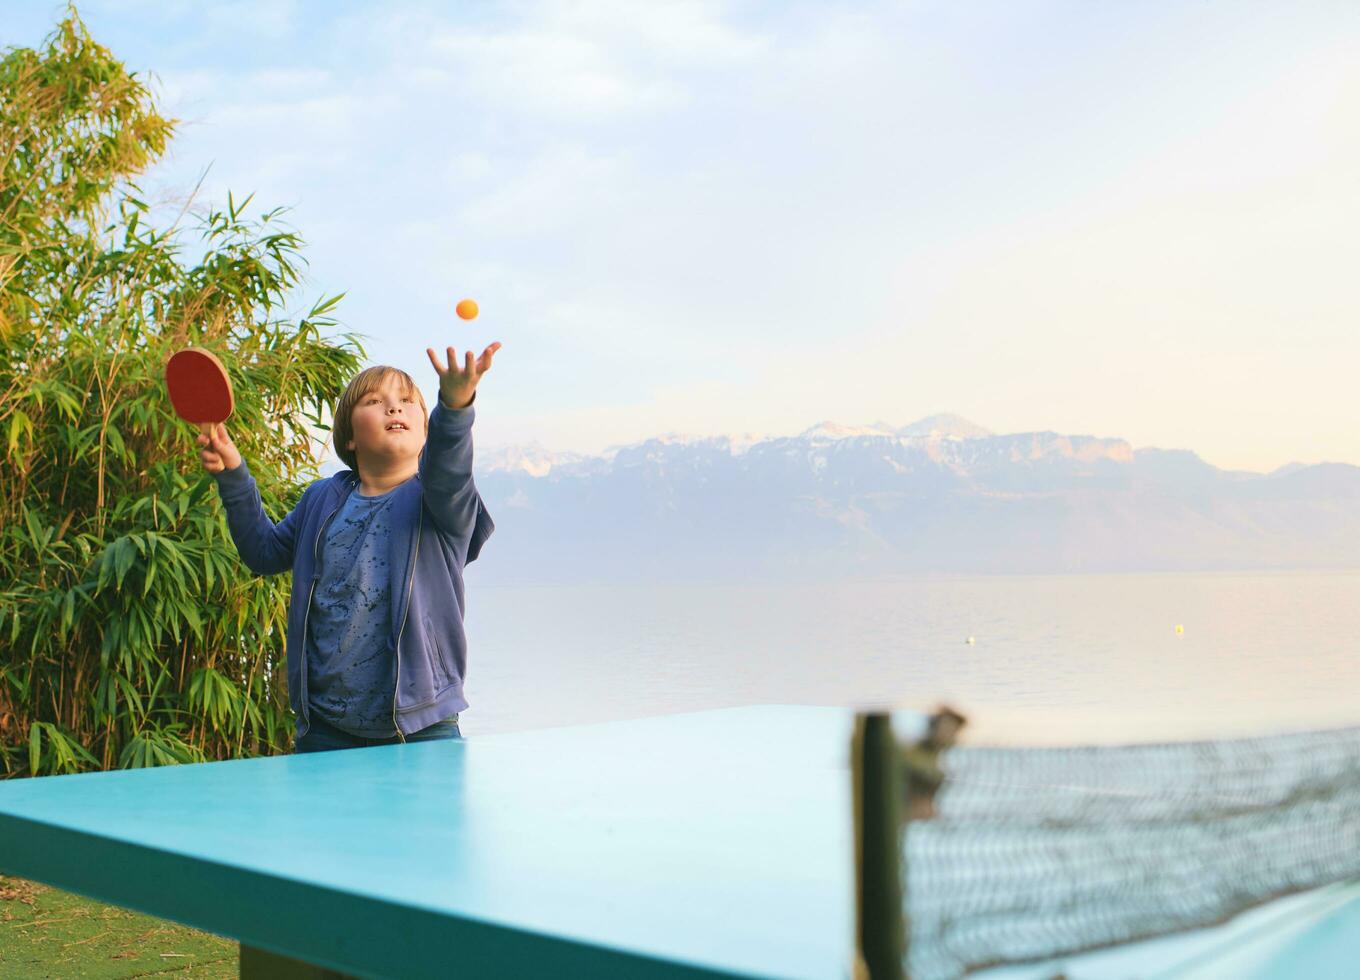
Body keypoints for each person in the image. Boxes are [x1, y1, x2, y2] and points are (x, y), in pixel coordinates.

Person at [196, 343, 501, 753]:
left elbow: (449, 464)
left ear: (427, 430)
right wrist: (234, 474)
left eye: (407, 401)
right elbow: (263, 552)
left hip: (422, 726)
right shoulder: (321, 499)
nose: (394, 408)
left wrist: (455, 404)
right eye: (376, 401)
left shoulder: (440, 501)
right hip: (324, 728)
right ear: (350, 437)